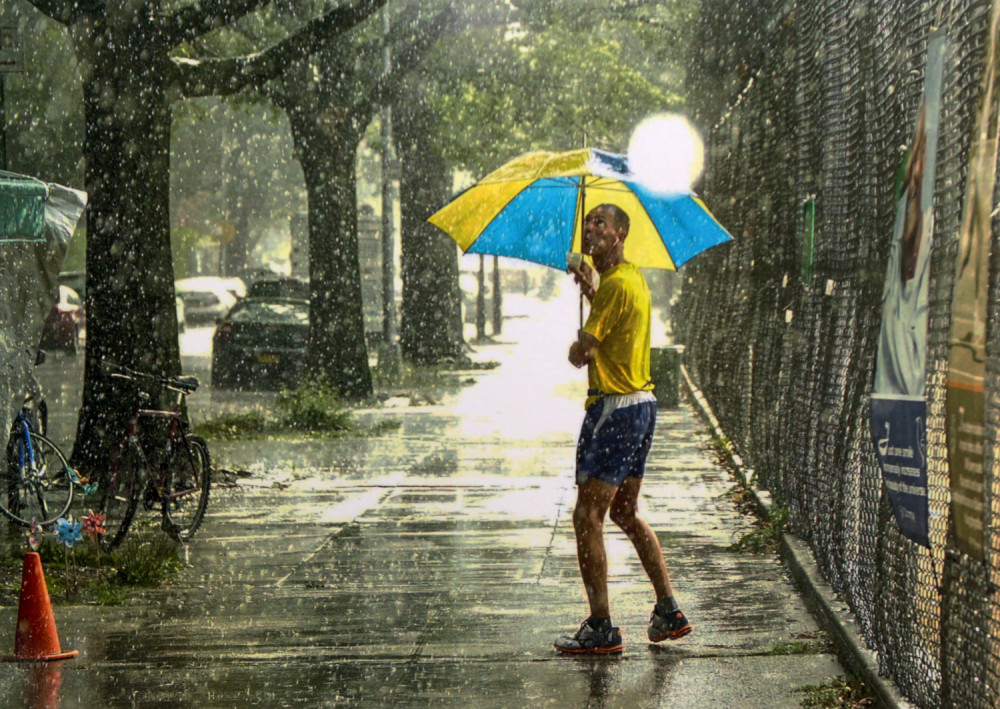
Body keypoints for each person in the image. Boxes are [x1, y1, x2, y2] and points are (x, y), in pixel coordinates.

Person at [553, 204, 692, 655]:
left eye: (601, 224)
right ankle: (668, 610)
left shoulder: (615, 286)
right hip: (641, 406)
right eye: (588, 222)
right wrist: (591, 290)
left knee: (586, 516)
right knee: (624, 513)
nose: (591, 229)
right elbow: (613, 329)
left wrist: (578, 344)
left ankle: (601, 625)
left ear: (619, 234)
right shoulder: (629, 281)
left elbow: (585, 352)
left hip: (614, 411)